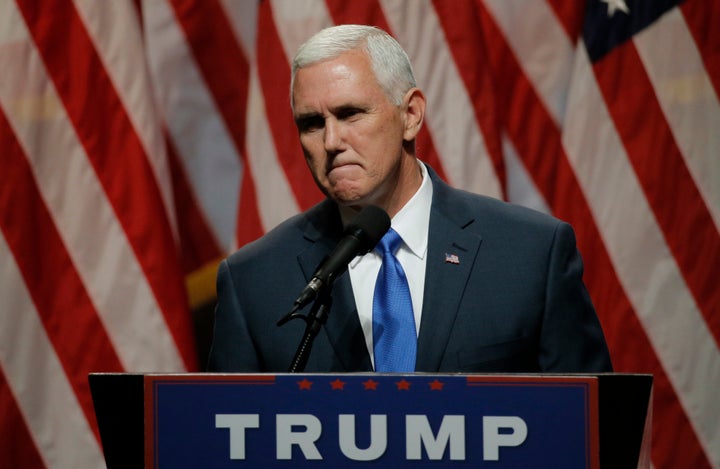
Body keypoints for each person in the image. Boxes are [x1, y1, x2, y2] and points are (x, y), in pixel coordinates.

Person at [207, 24, 612, 373]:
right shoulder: (255, 282)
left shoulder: (529, 255)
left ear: (411, 115)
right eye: (312, 124)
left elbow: (593, 430)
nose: (332, 142)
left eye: (350, 114)